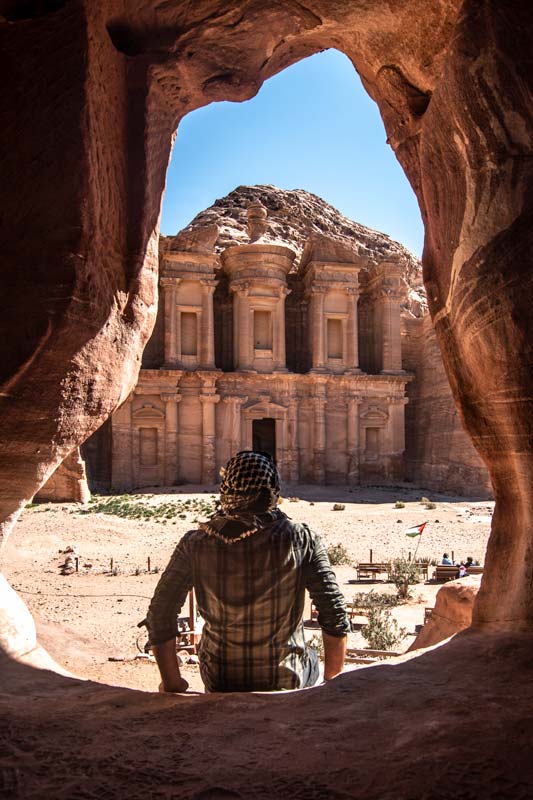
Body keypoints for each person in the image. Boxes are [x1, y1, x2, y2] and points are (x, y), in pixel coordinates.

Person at [145, 450, 350, 693]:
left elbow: (160, 612)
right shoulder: (301, 538)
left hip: (221, 680)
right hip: (287, 679)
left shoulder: (196, 543)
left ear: (226, 491)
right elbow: (333, 609)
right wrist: (333, 681)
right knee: (312, 657)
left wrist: (172, 683)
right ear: (273, 490)